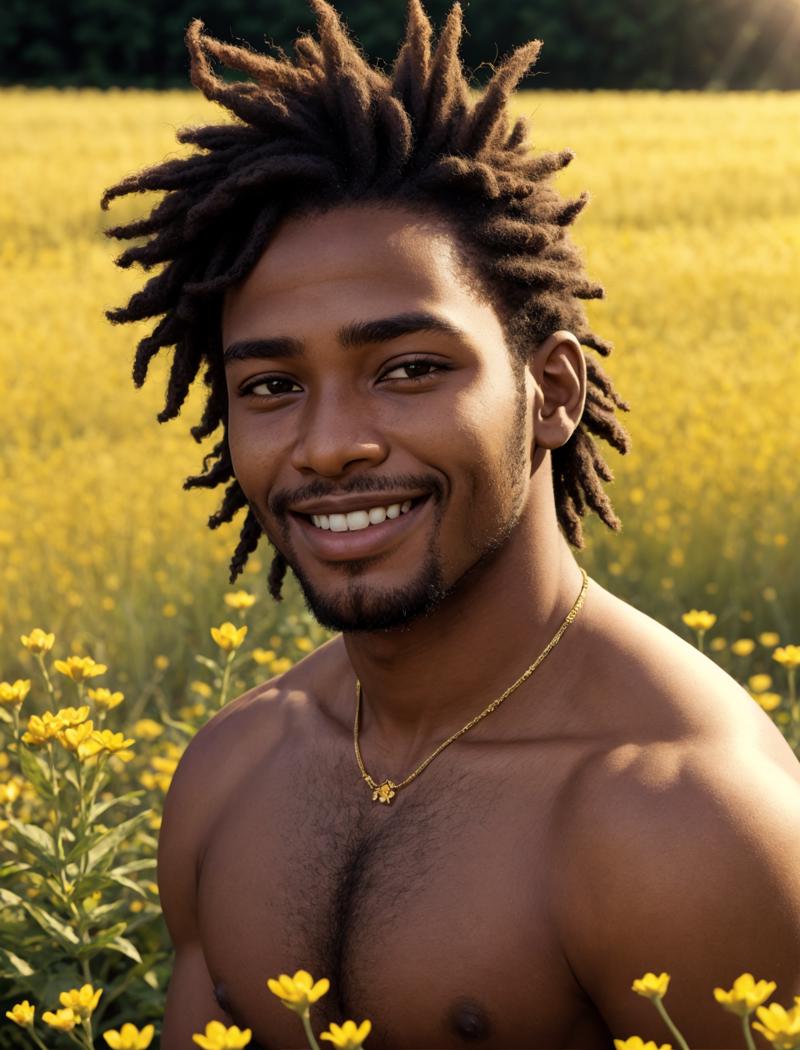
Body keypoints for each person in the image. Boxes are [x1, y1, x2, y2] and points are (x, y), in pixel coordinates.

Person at [102, 1, 800, 1046]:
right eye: (271, 386)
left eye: (409, 369)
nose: (329, 443)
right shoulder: (234, 768)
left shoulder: (679, 817)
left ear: (551, 392)